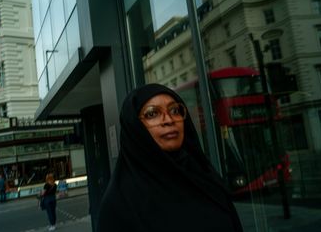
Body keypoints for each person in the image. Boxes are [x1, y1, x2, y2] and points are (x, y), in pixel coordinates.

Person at [96, 83, 243, 232]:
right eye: (152, 114)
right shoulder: (120, 203)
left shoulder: (203, 175)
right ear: (135, 127)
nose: (169, 120)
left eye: (174, 110)